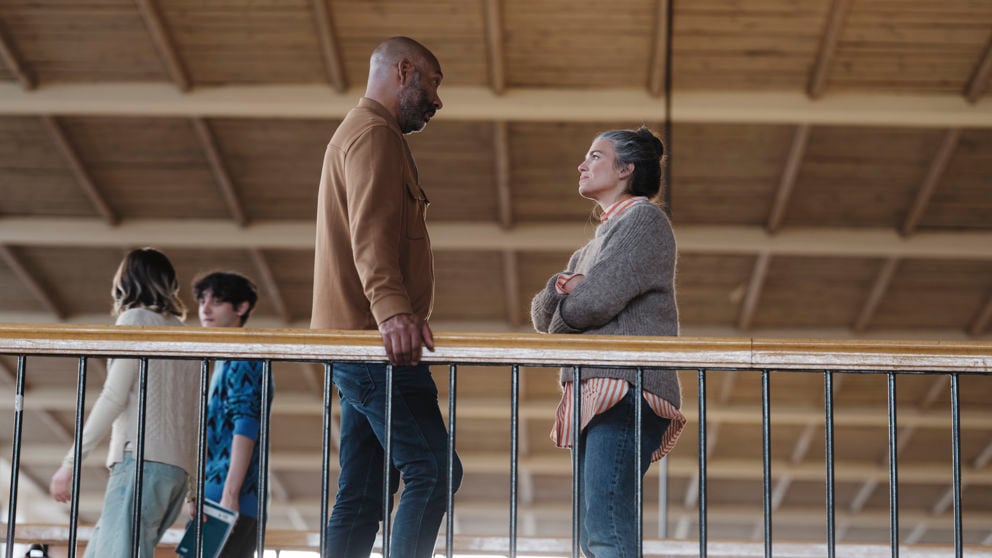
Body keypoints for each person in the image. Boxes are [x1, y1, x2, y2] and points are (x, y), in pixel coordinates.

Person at [310, 36, 461, 558]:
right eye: (434, 83)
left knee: (363, 491)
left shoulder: (363, 133)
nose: (438, 101)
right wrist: (394, 311)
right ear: (403, 71)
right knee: (434, 470)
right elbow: (369, 234)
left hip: (356, 341)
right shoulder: (374, 134)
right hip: (377, 342)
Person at [530, 127, 687, 558]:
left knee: (605, 530)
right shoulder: (587, 250)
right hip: (598, 396)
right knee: (595, 532)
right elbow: (542, 316)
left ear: (626, 169)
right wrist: (567, 287)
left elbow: (591, 305)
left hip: (626, 394)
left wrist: (571, 301)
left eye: (596, 156)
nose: (583, 165)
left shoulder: (644, 221)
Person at [48, 248, 199, 558]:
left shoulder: (135, 319)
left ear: (126, 281)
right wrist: (194, 489)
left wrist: (70, 463)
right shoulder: (188, 336)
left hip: (141, 461)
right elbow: (197, 415)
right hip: (176, 473)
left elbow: (114, 396)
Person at [193, 271, 272, 558]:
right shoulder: (224, 360)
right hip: (217, 495)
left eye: (217, 301)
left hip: (231, 498)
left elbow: (246, 427)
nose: (205, 308)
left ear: (242, 308)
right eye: (202, 300)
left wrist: (230, 495)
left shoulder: (244, 356)